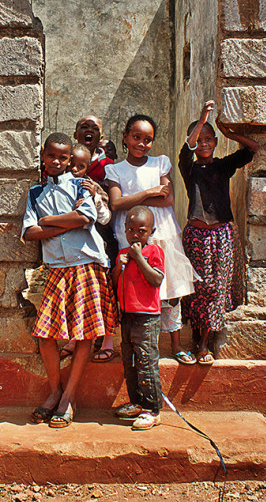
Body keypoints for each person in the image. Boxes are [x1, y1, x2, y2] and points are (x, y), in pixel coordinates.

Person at [23, 133, 115, 428]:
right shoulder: (35, 194)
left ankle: (68, 398)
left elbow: (85, 219)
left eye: (63, 158)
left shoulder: (79, 185)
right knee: (46, 334)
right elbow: (28, 233)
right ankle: (55, 391)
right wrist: (66, 221)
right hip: (56, 268)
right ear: (43, 156)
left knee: (84, 333)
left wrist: (48, 221)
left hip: (85, 264)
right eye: (52, 156)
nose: (57, 162)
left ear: (69, 160)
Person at [104, 114, 197, 365]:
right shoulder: (114, 169)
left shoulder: (160, 163)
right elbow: (116, 202)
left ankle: (175, 344)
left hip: (163, 231)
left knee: (169, 288)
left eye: (148, 139)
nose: (142, 144)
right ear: (125, 137)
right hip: (131, 234)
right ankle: (136, 345)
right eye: (136, 137)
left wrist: (133, 198)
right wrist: (148, 192)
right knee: (134, 285)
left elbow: (167, 200)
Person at [179, 100, 259, 364]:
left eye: (208, 139)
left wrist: (228, 134)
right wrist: (202, 118)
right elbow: (185, 151)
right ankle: (193, 340)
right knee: (195, 287)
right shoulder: (189, 168)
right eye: (199, 139)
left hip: (221, 235)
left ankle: (204, 344)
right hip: (196, 235)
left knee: (215, 288)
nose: (203, 143)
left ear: (214, 141)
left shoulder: (223, 166)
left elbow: (253, 148)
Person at [58, 143, 118, 363]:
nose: (74, 169)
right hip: (73, 254)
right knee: (77, 298)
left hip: (96, 252)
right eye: (71, 164)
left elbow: (104, 218)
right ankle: (77, 338)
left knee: (103, 298)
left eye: (80, 166)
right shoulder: (57, 186)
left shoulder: (93, 187)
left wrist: (93, 197)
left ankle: (108, 340)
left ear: (87, 168)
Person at [112, 206, 165, 430]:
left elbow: (156, 280)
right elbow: (115, 282)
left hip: (147, 316)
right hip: (127, 314)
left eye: (141, 230)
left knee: (146, 362)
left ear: (151, 231)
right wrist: (118, 265)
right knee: (130, 361)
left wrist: (138, 258)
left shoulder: (154, 252)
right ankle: (136, 402)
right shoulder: (123, 253)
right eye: (131, 230)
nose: (135, 234)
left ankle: (152, 409)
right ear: (124, 230)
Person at [73, 115, 116, 184]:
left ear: (101, 138)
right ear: (75, 135)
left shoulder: (108, 165)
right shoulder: (66, 160)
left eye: (95, 128)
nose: (89, 130)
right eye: (84, 127)